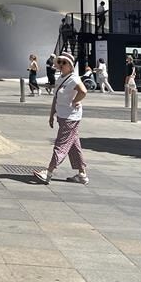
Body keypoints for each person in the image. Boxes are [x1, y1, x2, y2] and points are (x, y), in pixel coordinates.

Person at [33, 53, 88, 185]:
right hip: (62, 116)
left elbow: (83, 91)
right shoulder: (61, 78)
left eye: (64, 63)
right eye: (60, 62)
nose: (61, 65)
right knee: (74, 145)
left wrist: (75, 101)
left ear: (70, 65)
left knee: (61, 145)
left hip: (71, 117)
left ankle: (49, 172)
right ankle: (82, 174)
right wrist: (52, 114)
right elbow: (56, 97)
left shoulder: (74, 79)